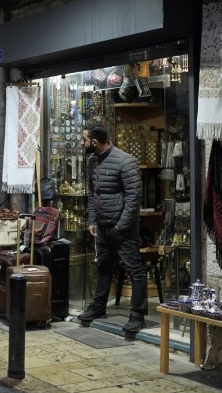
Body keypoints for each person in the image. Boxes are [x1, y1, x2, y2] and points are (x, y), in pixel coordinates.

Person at [78, 124, 146, 333]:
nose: (83, 143)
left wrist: (121, 226)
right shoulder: (92, 161)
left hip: (122, 228)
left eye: (85, 140)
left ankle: (137, 316)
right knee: (103, 267)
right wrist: (92, 220)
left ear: (95, 142)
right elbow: (94, 194)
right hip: (103, 226)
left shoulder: (125, 161)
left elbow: (134, 198)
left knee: (135, 270)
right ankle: (98, 307)